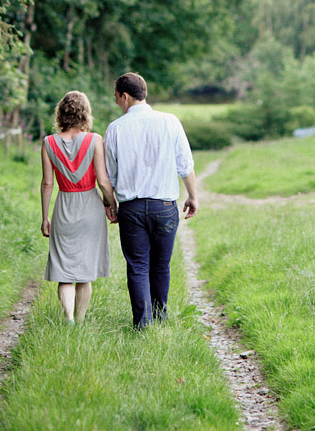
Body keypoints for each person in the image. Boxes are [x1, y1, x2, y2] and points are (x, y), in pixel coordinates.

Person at [104, 72, 198, 329]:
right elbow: (185, 164)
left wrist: (110, 204)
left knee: (137, 266)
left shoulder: (115, 129)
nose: (116, 103)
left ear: (125, 96)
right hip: (165, 207)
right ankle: (160, 315)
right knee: (160, 264)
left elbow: (109, 175)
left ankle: (142, 324)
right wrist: (192, 195)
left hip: (131, 208)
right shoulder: (170, 122)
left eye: (116, 98)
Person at [41, 90, 118, 324]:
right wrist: (112, 205)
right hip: (90, 207)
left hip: (64, 207)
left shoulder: (48, 143)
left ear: (61, 113)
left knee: (64, 271)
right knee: (84, 273)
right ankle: (81, 319)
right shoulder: (95, 140)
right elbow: (103, 182)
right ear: (85, 113)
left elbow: (47, 183)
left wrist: (45, 217)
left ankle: (68, 319)